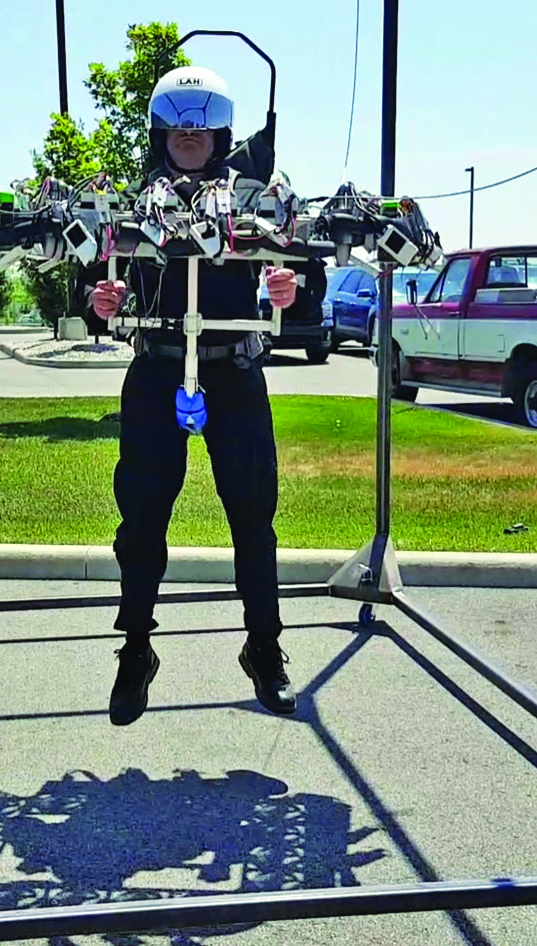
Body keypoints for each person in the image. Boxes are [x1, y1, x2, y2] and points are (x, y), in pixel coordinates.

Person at [85, 66, 323, 727]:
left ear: (221, 136)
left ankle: (264, 648)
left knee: (253, 518)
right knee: (141, 519)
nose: (190, 142)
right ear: (162, 136)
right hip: (158, 368)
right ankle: (135, 651)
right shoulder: (134, 202)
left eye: (202, 134)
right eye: (178, 133)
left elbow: (308, 271)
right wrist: (102, 300)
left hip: (234, 368)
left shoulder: (256, 200)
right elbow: (94, 279)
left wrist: (291, 290)